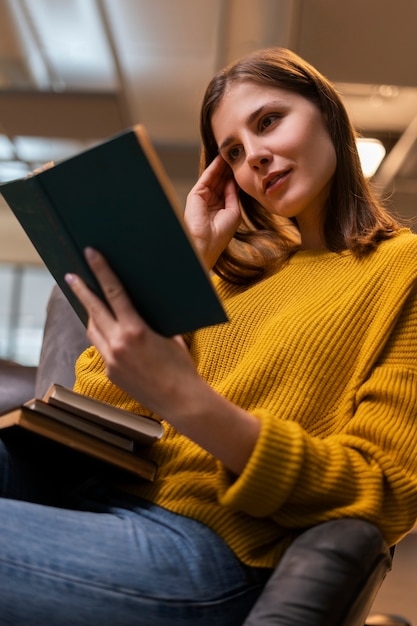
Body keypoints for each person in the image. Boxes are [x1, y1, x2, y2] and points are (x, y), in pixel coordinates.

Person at [1, 47, 417, 625]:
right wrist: (192, 259)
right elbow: (97, 410)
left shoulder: (403, 270)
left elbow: (387, 489)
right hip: (103, 506)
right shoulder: (233, 273)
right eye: (234, 153)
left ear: (328, 112)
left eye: (269, 121)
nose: (257, 158)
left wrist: (186, 399)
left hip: (208, 553)